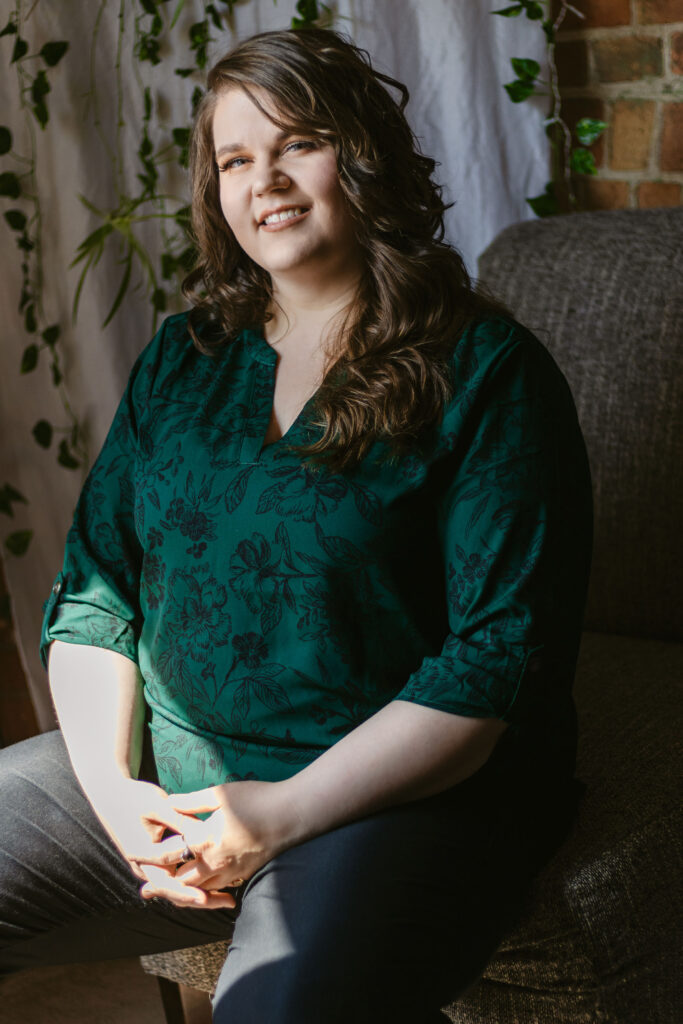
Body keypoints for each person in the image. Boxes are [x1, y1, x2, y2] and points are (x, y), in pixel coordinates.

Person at [0, 27, 592, 1024]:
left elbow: (496, 657)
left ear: (360, 155)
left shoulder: (490, 372)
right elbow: (94, 591)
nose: (263, 179)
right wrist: (111, 790)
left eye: (296, 143)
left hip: (393, 800)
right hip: (169, 776)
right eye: (236, 159)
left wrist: (275, 812)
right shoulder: (183, 358)